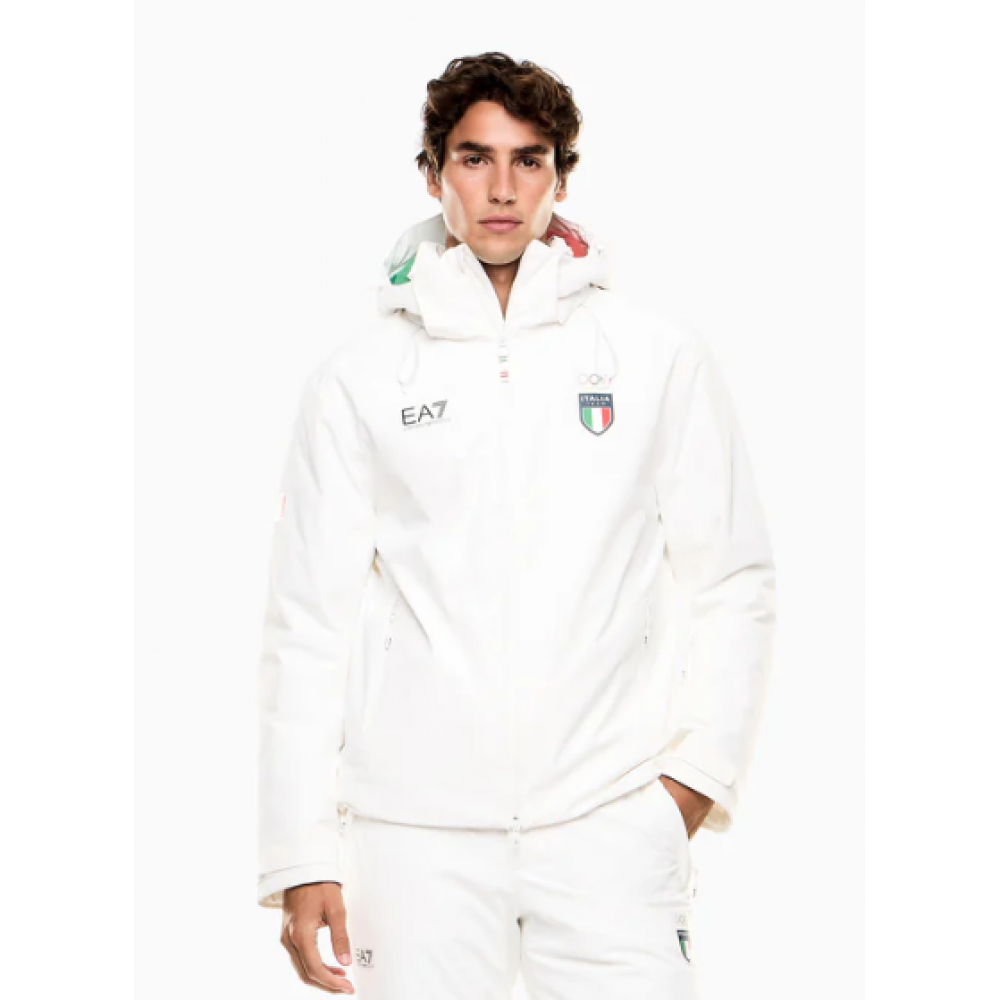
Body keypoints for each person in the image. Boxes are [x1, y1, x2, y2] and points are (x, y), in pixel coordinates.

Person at [256, 51, 777, 999]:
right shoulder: (357, 380)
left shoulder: (655, 357)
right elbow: (307, 624)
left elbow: (733, 581)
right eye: (474, 158)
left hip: (609, 828)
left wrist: (694, 783)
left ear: (560, 177)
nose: (502, 188)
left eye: (528, 160)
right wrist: (301, 853)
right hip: (413, 842)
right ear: (433, 173)